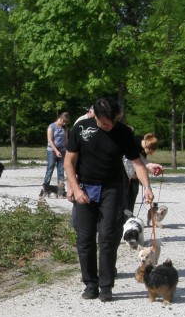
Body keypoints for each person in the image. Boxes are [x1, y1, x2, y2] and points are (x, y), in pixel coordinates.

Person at [65, 97, 154, 303]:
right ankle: (90, 283)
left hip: (112, 188)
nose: (109, 126)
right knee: (85, 237)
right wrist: (75, 189)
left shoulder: (123, 132)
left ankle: (106, 286)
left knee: (108, 236)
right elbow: (69, 161)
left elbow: (137, 162)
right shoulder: (81, 128)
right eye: (105, 123)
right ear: (94, 115)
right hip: (85, 187)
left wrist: (147, 187)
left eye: (112, 122)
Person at [125, 132, 164, 216]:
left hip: (134, 174)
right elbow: (133, 160)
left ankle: (129, 215)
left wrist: (150, 167)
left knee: (134, 193)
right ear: (147, 146)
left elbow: (142, 162)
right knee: (125, 195)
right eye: (151, 151)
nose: (151, 154)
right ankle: (123, 217)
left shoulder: (144, 147)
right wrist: (133, 173)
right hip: (125, 173)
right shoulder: (133, 142)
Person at [42, 110, 69, 196]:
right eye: (64, 122)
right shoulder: (52, 126)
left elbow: (66, 140)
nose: (64, 124)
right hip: (52, 151)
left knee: (61, 171)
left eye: (66, 122)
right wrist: (56, 151)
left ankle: (61, 190)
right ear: (60, 119)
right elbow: (50, 140)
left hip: (62, 150)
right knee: (50, 170)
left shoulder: (64, 128)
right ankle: (45, 188)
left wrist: (68, 150)